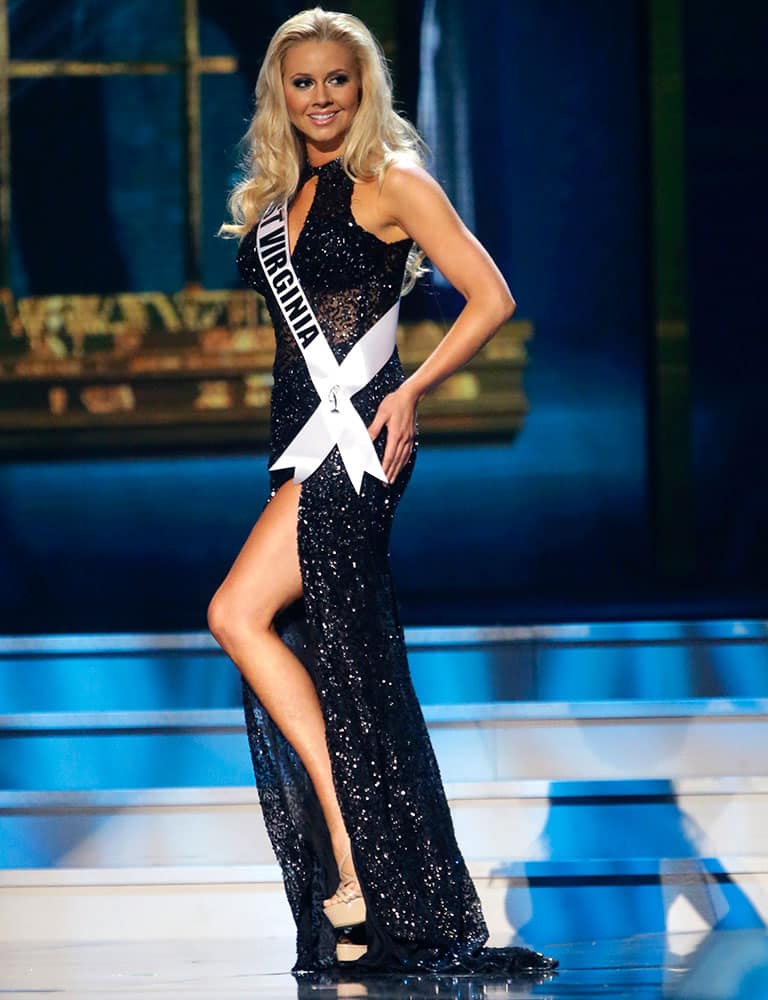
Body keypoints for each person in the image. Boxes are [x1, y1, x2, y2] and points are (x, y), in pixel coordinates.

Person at [210, 6, 558, 979]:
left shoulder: (393, 181)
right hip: (301, 447)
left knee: (243, 613)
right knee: (334, 656)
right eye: (304, 82)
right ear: (280, 92)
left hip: (360, 444)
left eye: (339, 81)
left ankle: (360, 857)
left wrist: (410, 389)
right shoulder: (286, 197)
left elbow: (490, 295)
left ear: (365, 89)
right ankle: (365, 858)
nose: (322, 98)